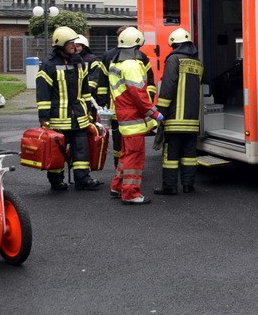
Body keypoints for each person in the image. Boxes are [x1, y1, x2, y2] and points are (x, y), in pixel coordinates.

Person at [36, 27, 103, 191]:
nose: (74, 46)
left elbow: (85, 89)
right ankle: (56, 181)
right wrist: (44, 118)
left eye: (75, 43)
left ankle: (82, 179)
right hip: (58, 117)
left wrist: (88, 109)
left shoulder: (78, 61)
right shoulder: (48, 65)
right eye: (71, 43)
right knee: (57, 150)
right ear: (61, 44)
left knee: (81, 149)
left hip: (79, 115)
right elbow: (43, 93)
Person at [109, 27, 164, 205]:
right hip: (134, 119)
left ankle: (117, 186)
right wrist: (155, 113)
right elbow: (138, 95)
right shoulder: (132, 65)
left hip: (124, 117)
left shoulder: (116, 63)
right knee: (135, 157)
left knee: (126, 155)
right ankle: (131, 193)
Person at [93, 25, 156, 169]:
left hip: (117, 107)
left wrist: (104, 105)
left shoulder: (110, 56)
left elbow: (149, 80)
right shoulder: (138, 56)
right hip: (130, 108)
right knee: (128, 141)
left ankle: (121, 169)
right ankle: (127, 169)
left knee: (120, 140)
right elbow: (102, 84)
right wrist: (148, 102)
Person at [155, 28, 204, 195]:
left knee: (170, 155)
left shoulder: (174, 59)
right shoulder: (197, 62)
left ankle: (169, 187)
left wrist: (160, 112)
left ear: (174, 44)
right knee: (189, 154)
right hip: (192, 119)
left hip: (175, 119)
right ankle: (188, 185)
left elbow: (168, 87)